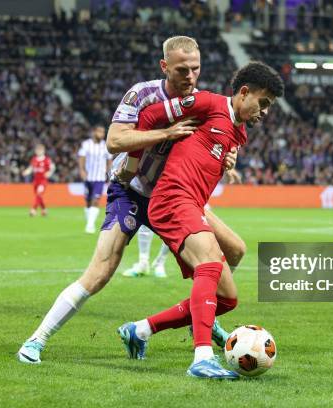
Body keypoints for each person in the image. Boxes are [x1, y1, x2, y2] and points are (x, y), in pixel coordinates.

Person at [17, 36, 245, 364]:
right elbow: (115, 141)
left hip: (174, 195)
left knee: (232, 250)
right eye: (182, 70)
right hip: (131, 190)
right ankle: (36, 340)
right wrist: (166, 133)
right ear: (164, 66)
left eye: (196, 69)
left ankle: (203, 314)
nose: (190, 77)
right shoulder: (142, 94)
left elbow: (216, 142)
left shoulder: (201, 102)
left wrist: (228, 157)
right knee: (101, 271)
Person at [118, 62, 284, 379]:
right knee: (209, 261)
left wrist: (226, 161)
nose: (264, 112)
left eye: (269, 107)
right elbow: (151, 115)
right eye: (262, 103)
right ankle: (202, 358)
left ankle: (139, 330)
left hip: (193, 202)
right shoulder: (209, 102)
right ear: (244, 92)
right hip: (171, 198)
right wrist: (133, 163)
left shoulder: (239, 131)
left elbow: (208, 152)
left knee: (227, 297)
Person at [78, 125, 113, 234]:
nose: (101, 134)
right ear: (94, 132)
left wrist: (108, 173)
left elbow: (109, 160)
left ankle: (90, 225)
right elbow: (81, 158)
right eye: (99, 132)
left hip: (99, 177)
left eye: (103, 132)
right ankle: (89, 222)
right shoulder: (86, 144)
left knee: (95, 200)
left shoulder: (105, 146)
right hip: (88, 177)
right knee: (88, 201)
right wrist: (82, 170)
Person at [22, 144, 55, 217]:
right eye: (37, 150)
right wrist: (26, 172)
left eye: (40, 150)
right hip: (36, 181)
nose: (38, 151)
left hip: (43, 181)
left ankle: (33, 210)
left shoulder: (46, 159)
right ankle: (44, 209)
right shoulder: (34, 159)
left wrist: (49, 173)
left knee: (39, 194)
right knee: (39, 196)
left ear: (43, 151)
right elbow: (31, 168)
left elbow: (52, 167)